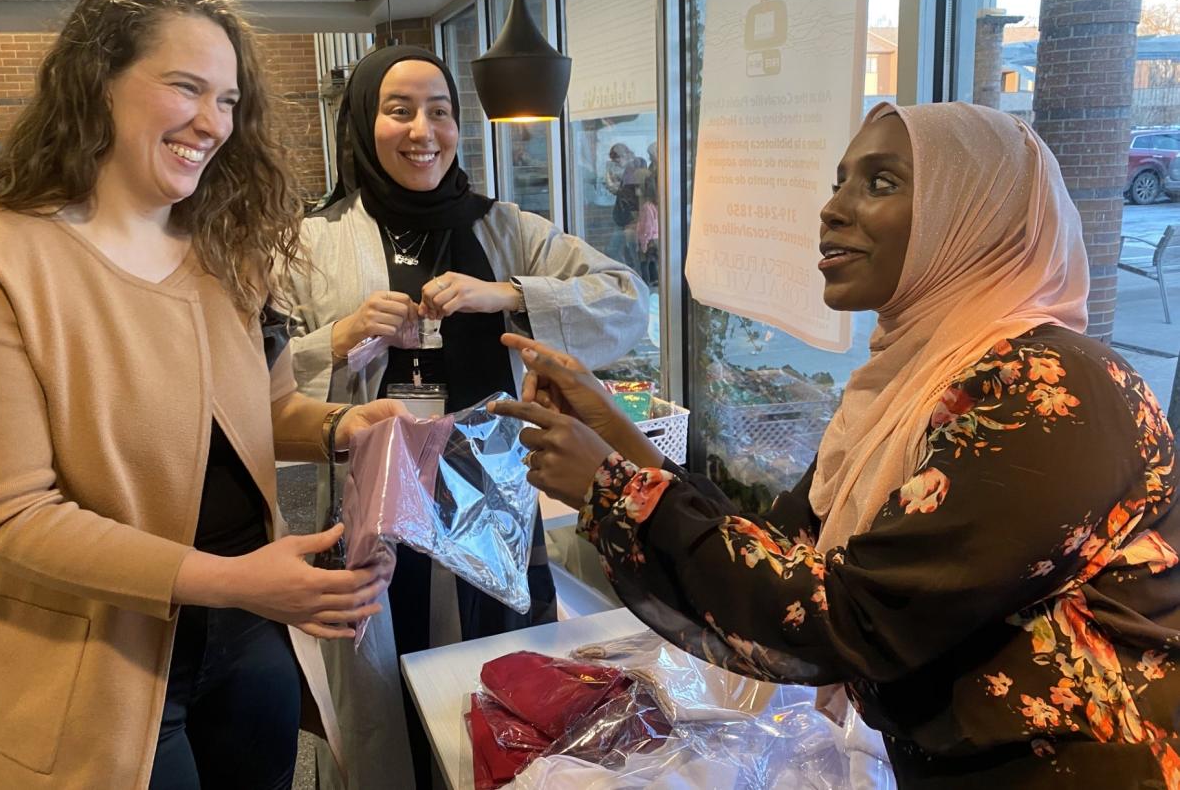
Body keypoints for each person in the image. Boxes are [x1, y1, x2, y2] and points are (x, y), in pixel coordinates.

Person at [494, 102, 1180, 787]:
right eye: (840, 181)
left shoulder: (1053, 388)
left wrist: (614, 491)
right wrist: (616, 434)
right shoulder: (911, 384)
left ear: (977, 217)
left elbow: (854, 620)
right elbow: (787, 548)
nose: (833, 210)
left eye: (881, 183)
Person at [0, 0, 406, 790]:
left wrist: (340, 427)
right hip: (93, 664)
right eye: (186, 87)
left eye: (227, 100)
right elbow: (10, 515)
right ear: (98, 83)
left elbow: (262, 412)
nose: (212, 122)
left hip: (247, 632)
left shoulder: (223, 247)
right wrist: (234, 580)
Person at [280, 44, 649, 789]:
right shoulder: (312, 241)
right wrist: (340, 338)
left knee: (497, 693)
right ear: (361, 123)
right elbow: (255, 373)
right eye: (399, 110)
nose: (424, 130)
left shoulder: (503, 227)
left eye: (440, 111)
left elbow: (626, 300)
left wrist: (512, 292)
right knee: (384, 696)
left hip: (494, 508)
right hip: (376, 510)